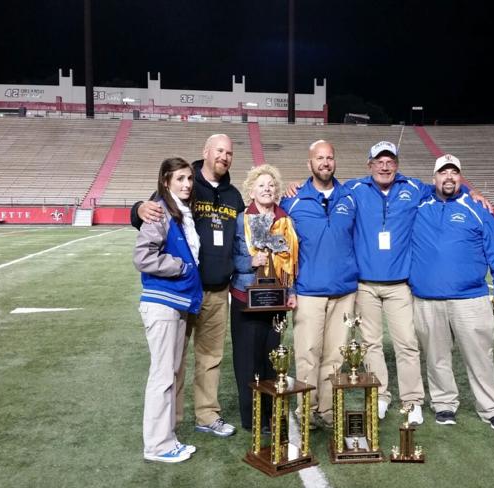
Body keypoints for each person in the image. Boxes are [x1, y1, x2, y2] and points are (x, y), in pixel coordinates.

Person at [346, 141, 492, 425]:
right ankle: (380, 396)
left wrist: (472, 192)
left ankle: (412, 399)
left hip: (400, 284)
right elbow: (322, 189)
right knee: (370, 345)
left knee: (407, 344)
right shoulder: (353, 190)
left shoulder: (414, 189)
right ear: (370, 165)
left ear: (397, 165)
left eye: (390, 161)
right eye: (379, 161)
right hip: (364, 284)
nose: (384, 166)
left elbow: (447, 188)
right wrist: (293, 188)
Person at [131, 134, 243, 438]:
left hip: (218, 290)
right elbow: (154, 210)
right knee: (174, 360)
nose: (224, 156)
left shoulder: (234, 195)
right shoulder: (187, 184)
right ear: (205, 152)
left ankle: (207, 415)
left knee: (210, 357)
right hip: (183, 291)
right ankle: (172, 421)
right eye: (219, 150)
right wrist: (138, 208)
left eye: (229, 153)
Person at [409, 154, 494, 431]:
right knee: (436, 357)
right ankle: (444, 405)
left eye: (454, 173)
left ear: (461, 177)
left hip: (470, 298)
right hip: (427, 298)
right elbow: (393, 182)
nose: (448, 178)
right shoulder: (419, 203)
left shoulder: (477, 207)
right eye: (443, 173)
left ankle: (491, 408)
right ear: (434, 179)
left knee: (480, 356)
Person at [280, 140, 358, 429]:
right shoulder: (293, 199)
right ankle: (305, 411)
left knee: (336, 355)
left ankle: (327, 410)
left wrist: (468, 189)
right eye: (319, 158)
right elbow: (281, 246)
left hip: (344, 291)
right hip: (309, 291)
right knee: (307, 354)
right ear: (309, 163)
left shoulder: (350, 196)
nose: (325, 163)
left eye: (330, 158)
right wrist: (289, 288)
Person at [133, 157, 202, 463]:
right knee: (162, 376)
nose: (187, 184)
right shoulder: (159, 211)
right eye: (180, 179)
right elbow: (142, 257)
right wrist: (179, 267)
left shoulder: (181, 211)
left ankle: (167, 439)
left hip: (177, 303)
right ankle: (157, 447)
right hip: (162, 303)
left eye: (189, 178)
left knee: (170, 373)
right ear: (165, 182)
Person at [230, 164, 299, 431]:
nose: (267, 189)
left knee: (272, 360)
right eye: (261, 185)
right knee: (247, 360)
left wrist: (291, 293)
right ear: (251, 190)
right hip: (245, 298)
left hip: (276, 299)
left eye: (271, 185)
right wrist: (250, 260)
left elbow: (292, 260)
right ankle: (251, 417)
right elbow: (231, 258)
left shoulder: (285, 221)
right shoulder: (240, 220)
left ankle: (272, 414)